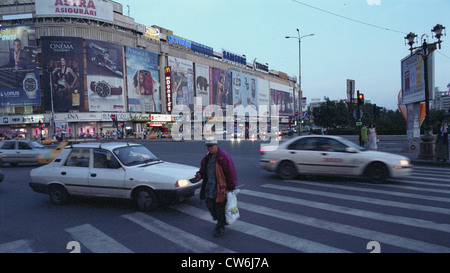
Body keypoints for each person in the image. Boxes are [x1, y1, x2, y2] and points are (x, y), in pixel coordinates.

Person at [196, 137, 237, 237]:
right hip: (209, 187)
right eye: (208, 146)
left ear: (216, 145)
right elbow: (203, 169)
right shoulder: (207, 158)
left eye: (211, 146)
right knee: (210, 205)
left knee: (219, 207)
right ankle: (220, 220)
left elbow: (231, 171)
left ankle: (220, 226)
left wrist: (231, 186)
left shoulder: (223, 157)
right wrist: (199, 174)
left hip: (220, 188)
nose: (209, 148)